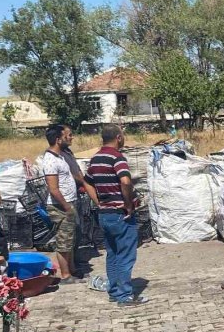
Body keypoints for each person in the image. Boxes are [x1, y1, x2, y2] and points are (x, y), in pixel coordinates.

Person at [85, 124, 147, 306]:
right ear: (118, 137)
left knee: (112, 254)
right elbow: (125, 181)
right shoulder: (117, 158)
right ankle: (125, 296)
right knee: (126, 255)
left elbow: (86, 182)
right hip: (121, 214)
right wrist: (128, 204)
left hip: (105, 214)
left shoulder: (95, 159)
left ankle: (114, 292)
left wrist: (98, 202)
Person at [42, 125, 97, 282]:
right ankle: (65, 275)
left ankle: (72, 270)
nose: (71, 138)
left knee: (70, 240)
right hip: (60, 206)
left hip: (69, 202)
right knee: (64, 242)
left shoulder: (61, 156)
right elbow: (53, 188)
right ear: (58, 140)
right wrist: (66, 206)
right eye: (67, 136)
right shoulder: (50, 160)